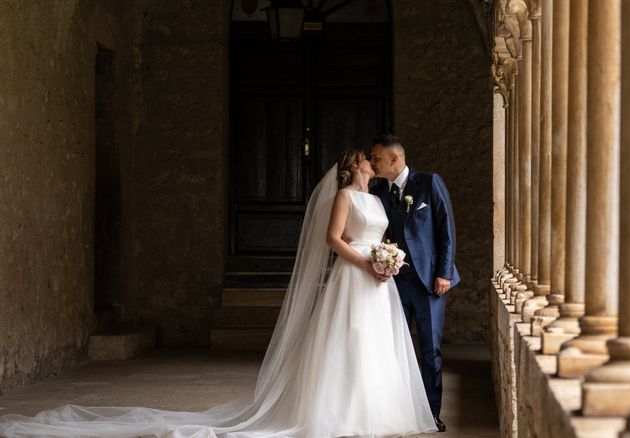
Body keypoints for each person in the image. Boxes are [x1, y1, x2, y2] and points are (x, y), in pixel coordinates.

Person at [0, 149, 438, 438]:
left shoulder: (379, 200)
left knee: (377, 344)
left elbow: (385, 235)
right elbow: (333, 239)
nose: (374, 163)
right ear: (354, 165)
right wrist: (366, 262)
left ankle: (377, 409)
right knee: (350, 340)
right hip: (353, 274)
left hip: (377, 282)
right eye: (368, 159)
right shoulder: (344, 194)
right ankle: (342, 412)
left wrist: (389, 259)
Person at [369, 135, 459, 433]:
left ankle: (431, 414)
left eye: (377, 158)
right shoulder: (378, 191)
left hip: (430, 282)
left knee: (430, 349)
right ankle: (400, 412)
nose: (373, 163)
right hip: (393, 282)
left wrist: (444, 273)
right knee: (396, 349)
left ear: (394, 159)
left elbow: (446, 230)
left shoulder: (429, 182)